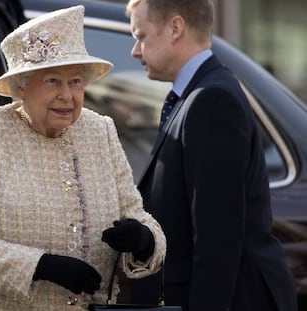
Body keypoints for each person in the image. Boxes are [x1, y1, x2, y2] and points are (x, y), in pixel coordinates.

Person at [0, 5, 166, 311]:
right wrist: (42, 266)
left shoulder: (100, 131)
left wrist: (144, 240)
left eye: (75, 81)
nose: (68, 96)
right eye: (52, 81)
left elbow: (136, 214)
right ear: (22, 87)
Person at [125, 1, 297, 311]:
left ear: (175, 28)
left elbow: (217, 239)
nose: (135, 51)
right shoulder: (195, 94)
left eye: (141, 36)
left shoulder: (211, 100)